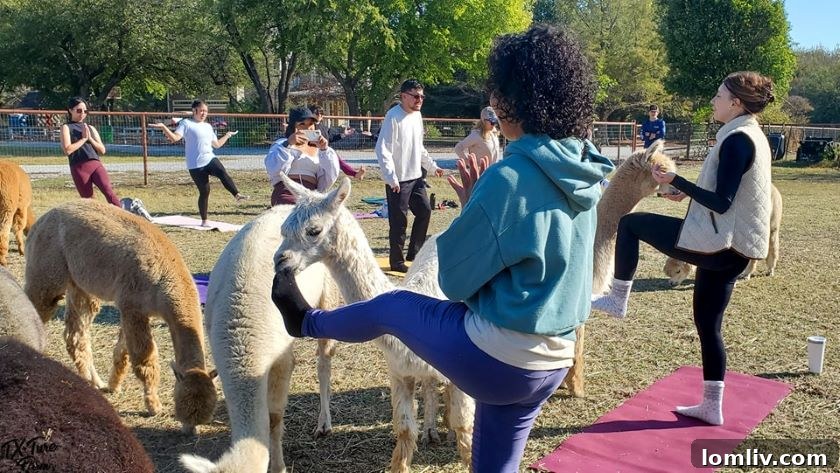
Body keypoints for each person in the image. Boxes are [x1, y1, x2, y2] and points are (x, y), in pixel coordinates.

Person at [270, 25, 614, 471]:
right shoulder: (586, 178)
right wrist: (479, 208)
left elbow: (454, 280)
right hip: (554, 359)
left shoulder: (508, 177)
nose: (492, 109)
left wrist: (475, 209)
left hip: (501, 357)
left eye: (495, 99)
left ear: (512, 104)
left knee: (392, 306)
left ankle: (306, 322)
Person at [591, 71, 775, 426]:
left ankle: (617, 298)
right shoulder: (750, 134)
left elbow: (721, 203)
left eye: (719, 95)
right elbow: (727, 199)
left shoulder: (738, 139)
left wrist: (677, 180)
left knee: (631, 224)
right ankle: (712, 405)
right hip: (734, 249)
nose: (714, 100)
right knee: (709, 324)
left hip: (720, 246)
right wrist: (683, 192)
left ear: (736, 102)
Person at [376, 79, 444, 273]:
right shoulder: (393, 116)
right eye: (415, 96)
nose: (419, 100)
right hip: (398, 180)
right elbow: (382, 149)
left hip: (416, 177)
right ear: (404, 96)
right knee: (399, 222)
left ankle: (415, 253)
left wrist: (432, 167)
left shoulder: (417, 116)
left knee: (425, 211)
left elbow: (419, 147)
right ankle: (396, 262)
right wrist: (391, 177)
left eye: (422, 96)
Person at [150, 99, 248, 226]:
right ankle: (204, 220)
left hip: (209, 158)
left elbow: (217, 144)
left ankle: (237, 194)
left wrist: (227, 135)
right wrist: (164, 127)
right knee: (204, 191)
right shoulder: (186, 123)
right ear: (194, 110)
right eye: (201, 110)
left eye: (205, 111)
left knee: (222, 173)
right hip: (195, 165)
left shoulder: (208, 126)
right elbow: (174, 138)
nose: (203, 113)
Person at [265, 106, 340, 206]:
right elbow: (274, 169)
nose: (308, 128)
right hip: (287, 191)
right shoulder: (281, 144)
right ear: (293, 127)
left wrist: (324, 150)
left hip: (311, 194)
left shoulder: (320, 149)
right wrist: (288, 144)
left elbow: (331, 176)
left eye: (311, 124)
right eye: (302, 124)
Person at [59, 97, 120, 207]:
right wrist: (83, 139)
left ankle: (123, 217)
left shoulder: (90, 128)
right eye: (78, 110)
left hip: (95, 164)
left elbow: (102, 150)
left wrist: (89, 139)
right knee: (89, 201)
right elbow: (67, 149)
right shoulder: (66, 127)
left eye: (85, 111)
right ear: (70, 110)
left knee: (108, 191)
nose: (82, 113)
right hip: (79, 168)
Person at [308, 105, 366, 180]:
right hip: (313, 152)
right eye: (317, 113)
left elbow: (330, 138)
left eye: (321, 113)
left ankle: (355, 174)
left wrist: (344, 134)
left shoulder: (324, 127)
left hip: (325, 151)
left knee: (339, 162)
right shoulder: (309, 126)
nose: (320, 115)